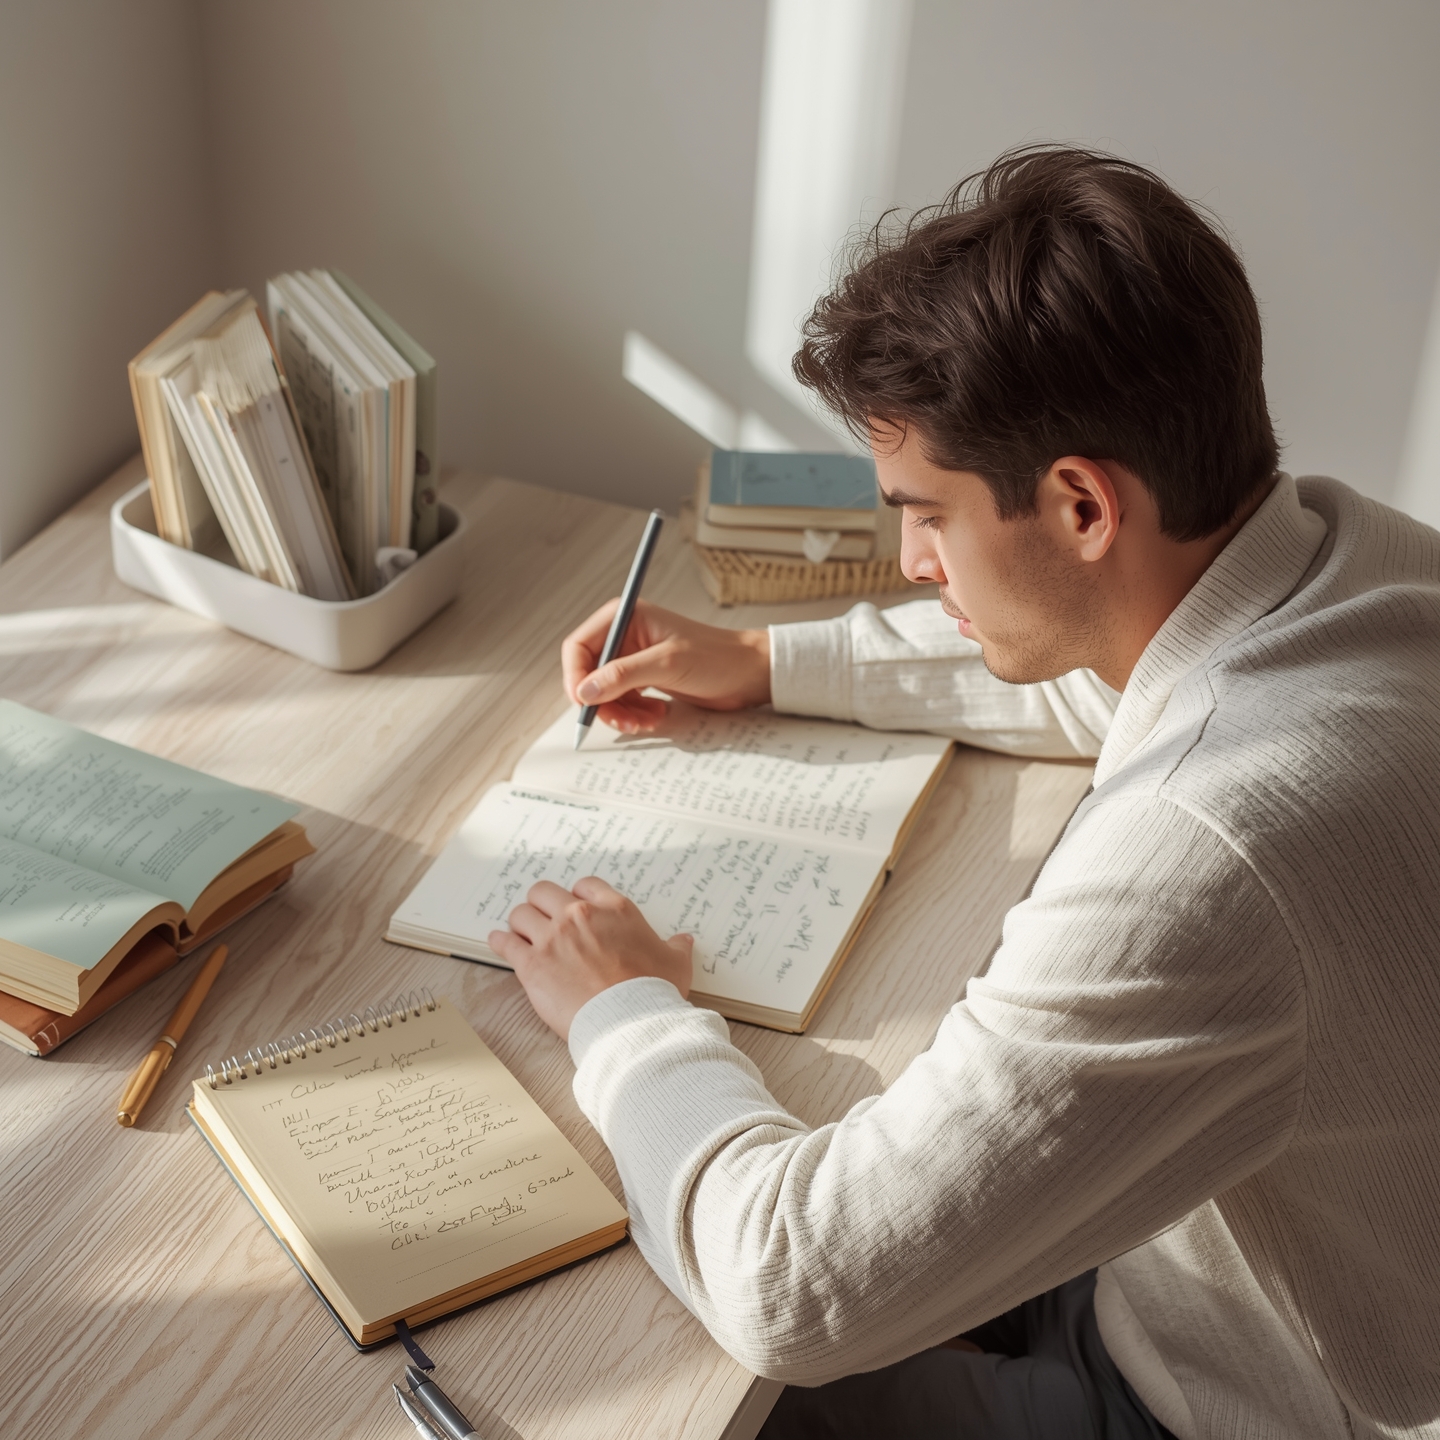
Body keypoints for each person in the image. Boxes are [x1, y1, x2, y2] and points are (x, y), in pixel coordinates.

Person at [487, 147, 1440, 1439]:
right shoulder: (1354, 561)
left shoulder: (1210, 846)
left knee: (698, 1388)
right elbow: (1102, 665)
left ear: (1082, 505)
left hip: (1202, 1395)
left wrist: (626, 1014)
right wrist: (765, 661)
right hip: (1183, 1252)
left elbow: (794, 1289)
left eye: (927, 515)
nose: (908, 558)